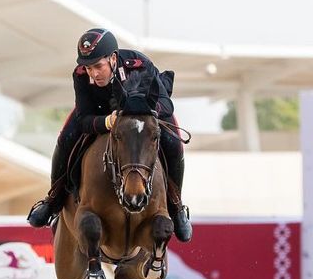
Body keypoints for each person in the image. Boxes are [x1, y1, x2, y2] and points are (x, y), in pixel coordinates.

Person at [26, 28, 192, 241]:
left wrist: (138, 111)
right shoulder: (80, 75)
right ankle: (53, 199)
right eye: (89, 68)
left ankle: (176, 206)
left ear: (113, 59)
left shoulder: (138, 64)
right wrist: (107, 121)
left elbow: (166, 105)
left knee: (173, 141)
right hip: (101, 113)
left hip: (143, 114)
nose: (94, 74)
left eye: (98, 66)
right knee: (65, 138)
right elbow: (84, 119)